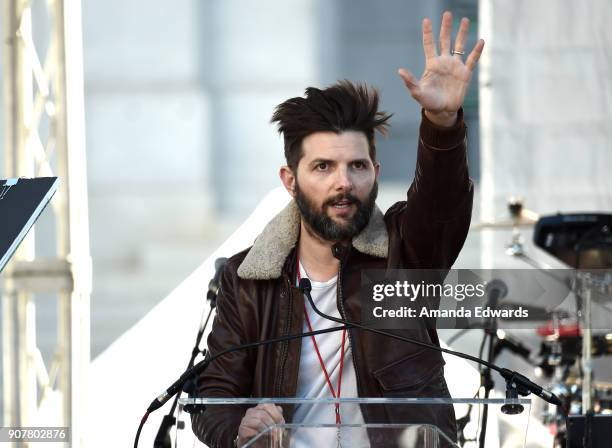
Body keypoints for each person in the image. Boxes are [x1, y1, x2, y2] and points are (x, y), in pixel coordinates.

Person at [191, 10, 484, 448]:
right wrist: (240, 427)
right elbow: (213, 396)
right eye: (323, 167)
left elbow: (441, 206)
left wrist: (442, 125)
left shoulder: (404, 252)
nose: (343, 182)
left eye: (357, 166)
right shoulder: (246, 280)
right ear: (290, 180)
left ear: (376, 173)